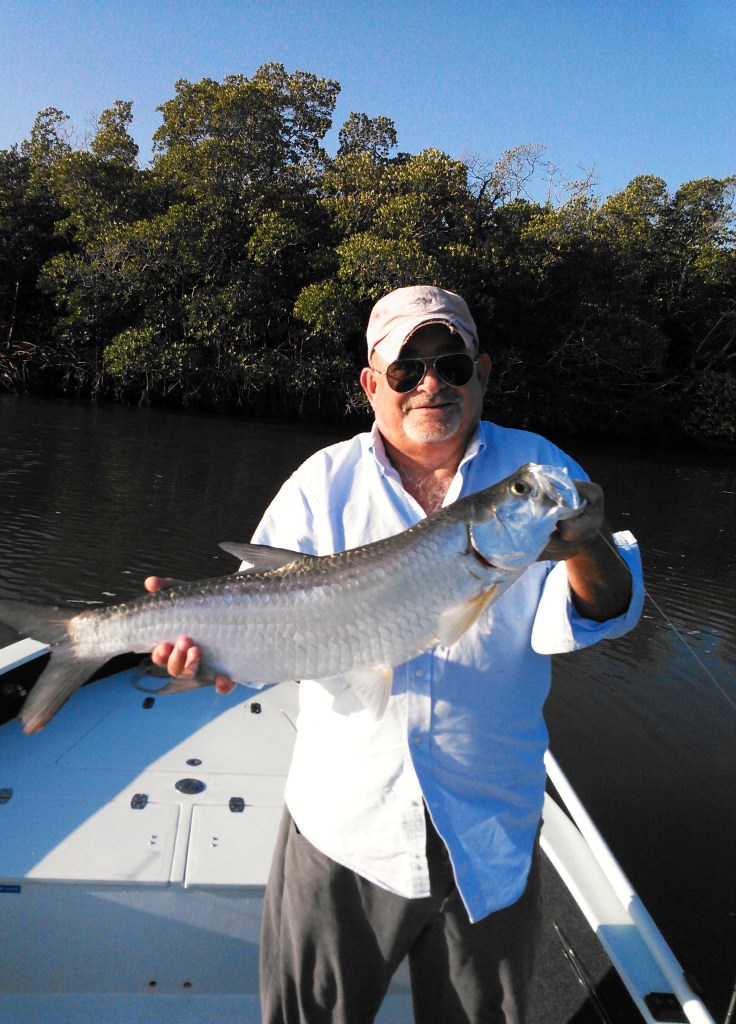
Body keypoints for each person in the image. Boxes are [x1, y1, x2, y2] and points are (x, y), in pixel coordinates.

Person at [147, 285, 644, 1024]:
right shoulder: (323, 482)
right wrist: (199, 657)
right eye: (407, 371)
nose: (431, 385)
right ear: (371, 384)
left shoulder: (535, 470)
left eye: (449, 364)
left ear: (482, 370)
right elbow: (255, 621)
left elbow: (599, 613)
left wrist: (587, 546)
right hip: (345, 827)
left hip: (489, 828)